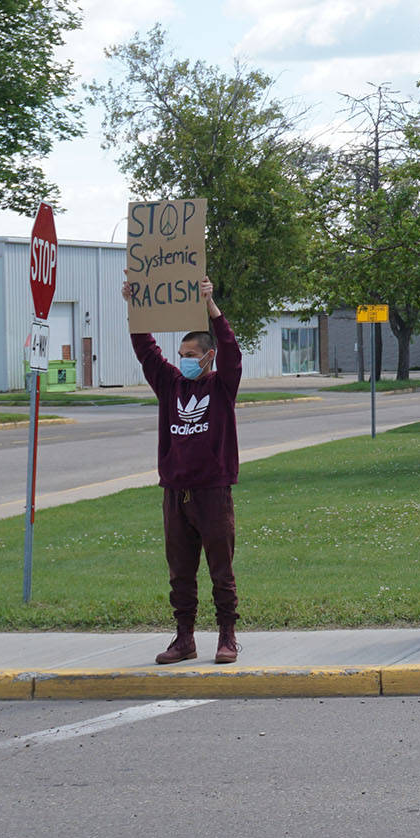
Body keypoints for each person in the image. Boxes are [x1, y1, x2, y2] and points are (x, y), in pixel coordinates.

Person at [124, 277, 243, 665]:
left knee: (220, 570)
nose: (183, 360)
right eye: (180, 354)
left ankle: (227, 637)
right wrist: (135, 308)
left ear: (207, 357)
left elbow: (232, 351)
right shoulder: (170, 384)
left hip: (212, 492)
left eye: (191, 354)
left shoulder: (222, 387)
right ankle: (184, 638)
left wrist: (212, 307)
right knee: (180, 572)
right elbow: (145, 350)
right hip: (176, 493)